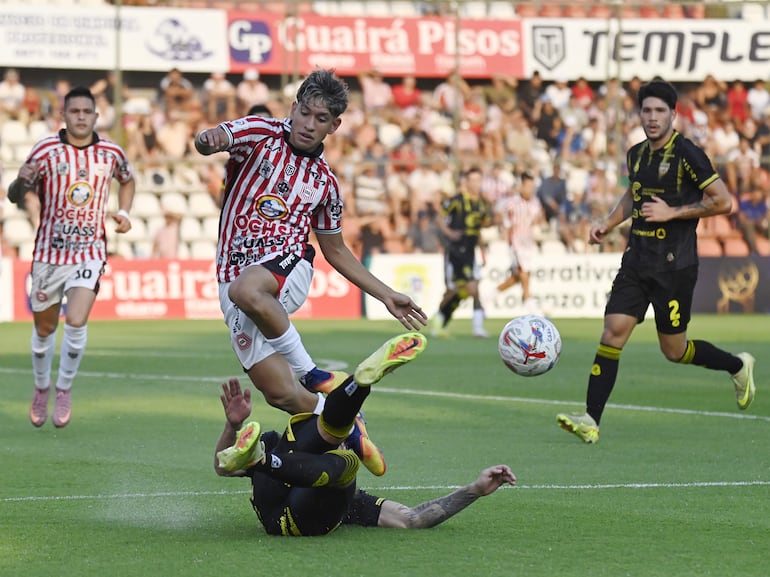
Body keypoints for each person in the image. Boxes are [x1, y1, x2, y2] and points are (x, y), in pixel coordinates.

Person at [194, 69, 427, 475]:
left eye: (321, 119)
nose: (309, 124)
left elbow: (334, 249)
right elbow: (218, 136)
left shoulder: (325, 183)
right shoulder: (261, 133)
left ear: (334, 126)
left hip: (289, 264)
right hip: (232, 273)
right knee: (281, 395)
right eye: (305, 113)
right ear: (293, 108)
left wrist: (385, 293)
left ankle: (313, 373)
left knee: (247, 292)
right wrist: (208, 139)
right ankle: (347, 424)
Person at [556, 79, 757, 444]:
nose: (652, 118)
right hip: (636, 260)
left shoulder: (689, 154)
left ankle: (738, 365)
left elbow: (723, 201)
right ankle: (590, 419)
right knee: (612, 332)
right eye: (646, 110)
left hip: (675, 266)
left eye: (659, 111)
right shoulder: (636, 154)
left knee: (674, 350)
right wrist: (607, 223)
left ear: (673, 115)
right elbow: (633, 197)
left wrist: (673, 212)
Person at [214, 333, 516, 536]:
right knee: (335, 451)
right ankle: (358, 385)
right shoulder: (271, 440)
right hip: (283, 499)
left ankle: (359, 385)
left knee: (339, 458)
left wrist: (475, 489)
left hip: (296, 516)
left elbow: (413, 519)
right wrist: (232, 426)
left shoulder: (354, 504)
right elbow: (223, 465)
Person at [7, 85, 135, 428]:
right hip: (49, 254)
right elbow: (14, 193)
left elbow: (127, 179)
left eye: (86, 112)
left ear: (96, 116)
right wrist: (22, 183)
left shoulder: (110, 151)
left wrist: (124, 211)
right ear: (63, 116)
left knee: (76, 320)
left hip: (89, 251)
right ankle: (41, 386)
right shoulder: (46, 149)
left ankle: (63, 388)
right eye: (74, 111)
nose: (80, 117)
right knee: (44, 329)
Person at [430, 166, 492, 338]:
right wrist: (449, 233)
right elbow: (439, 218)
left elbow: (479, 228)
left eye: (478, 180)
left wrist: (483, 250)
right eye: (472, 180)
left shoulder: (481, 204)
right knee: (456, 290)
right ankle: (441, 318)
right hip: (456, 251)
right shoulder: (457, 200)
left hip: (470, 252)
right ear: (466, 182)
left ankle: (447, 320)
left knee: (469, 289)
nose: (476, 184)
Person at [496, 171, 544, 310]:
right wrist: (506, 236)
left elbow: (539, 219)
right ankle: (529, 301)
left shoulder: (535, 202)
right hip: (516, 243)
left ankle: (493, 293)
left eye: (532, 187)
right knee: (523, 271)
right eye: (528, 186)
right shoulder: (511, 202)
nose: (530, 190)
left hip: (529, 243)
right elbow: (501, 218)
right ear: (521, 186)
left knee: (519, 277)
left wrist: (539, 221)